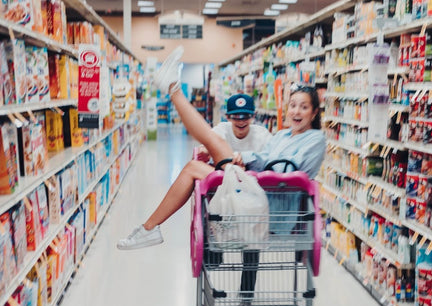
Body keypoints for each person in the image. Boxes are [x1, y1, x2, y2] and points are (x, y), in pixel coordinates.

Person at [117, 45, 326, 251]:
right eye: (293, 105)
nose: (296, 111)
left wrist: (248, 163)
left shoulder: (316, 139)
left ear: (314, 112)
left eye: (304, 107)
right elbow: (265, 157)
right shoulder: (282, 135)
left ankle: (173, 88)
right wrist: (245, 160)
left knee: (215, 143)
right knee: (193, 167)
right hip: (257, 192)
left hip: (271, 207)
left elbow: (287, 171)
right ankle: (149, 228)